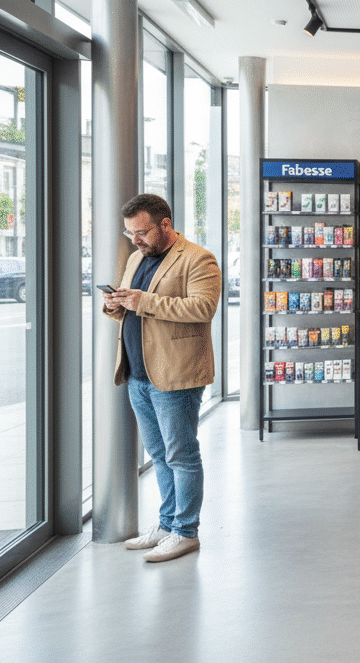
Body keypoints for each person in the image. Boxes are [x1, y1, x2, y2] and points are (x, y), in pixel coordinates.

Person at [102, 194, 221, 563]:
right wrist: (115, 305)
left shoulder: (198, 258)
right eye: (129, 234)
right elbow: (132, 307)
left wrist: (143, 302)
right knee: (158, 455)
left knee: (181, 455)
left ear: (165, 224)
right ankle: (168, 525)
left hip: (176, 375)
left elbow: (203, 308)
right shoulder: (137, 258)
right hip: (138, 374)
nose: (135, 240)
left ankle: (186, 532)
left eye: (141, 232)